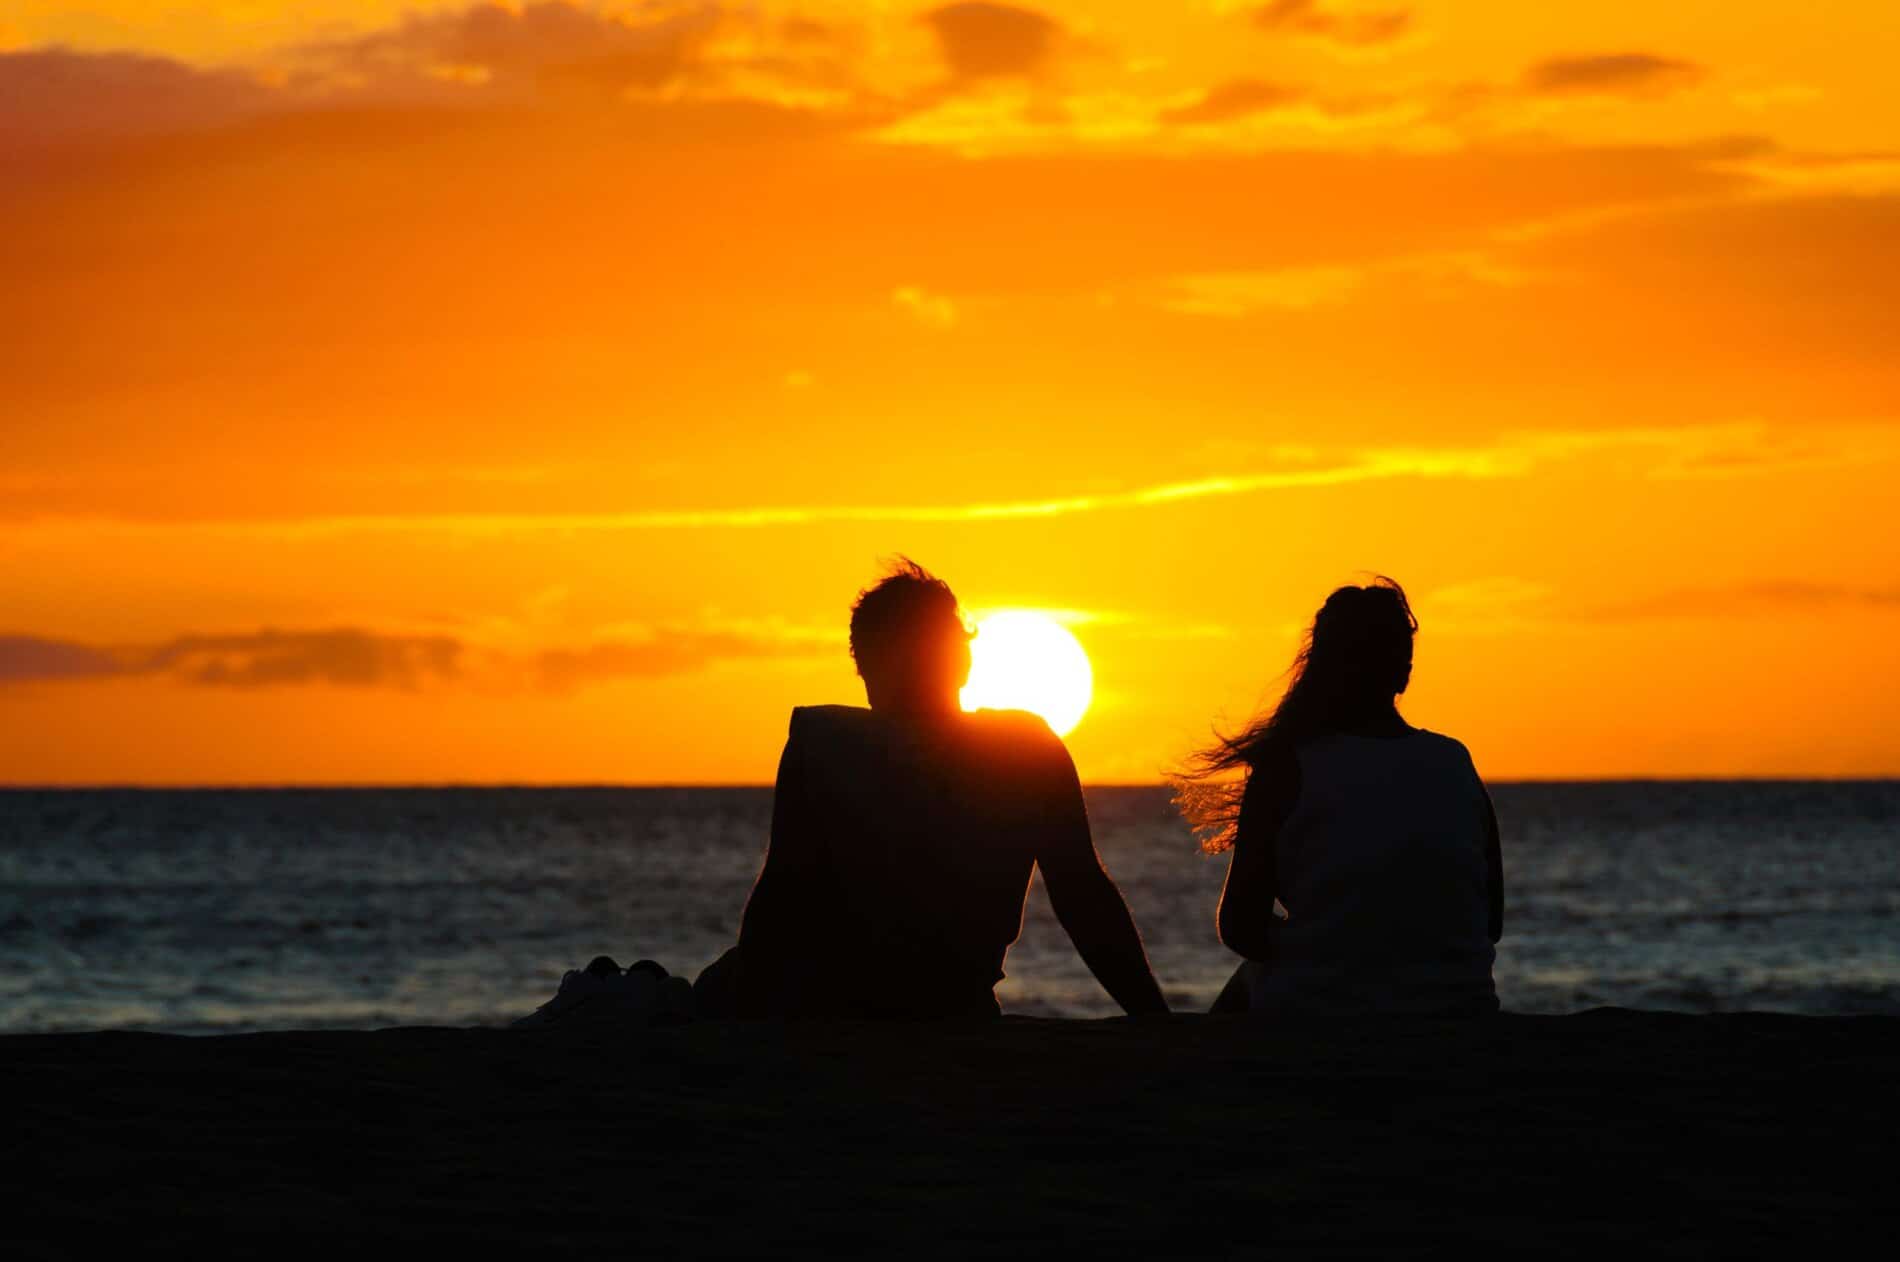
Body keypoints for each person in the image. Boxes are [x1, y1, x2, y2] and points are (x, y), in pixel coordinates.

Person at [698, 559, 1168, 1020]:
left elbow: (780, 896)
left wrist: (751, 1016)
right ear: (961, 661)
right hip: (958, 1003)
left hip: (833, 1006)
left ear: (864, 667)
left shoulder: (823, 744)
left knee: (694, 988)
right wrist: (1153, 1017)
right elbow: (1083, 896)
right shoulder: (1027, 751)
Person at [1174, 578, 1503, 1016]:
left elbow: (1242, 928)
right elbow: (1491, 919)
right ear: (1404, 669)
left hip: (1327, 1007)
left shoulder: (1286, 767)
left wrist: (1326, 941)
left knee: (1248, 986)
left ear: (1320, 664)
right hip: (1459, 1006)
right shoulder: (1454, 761)